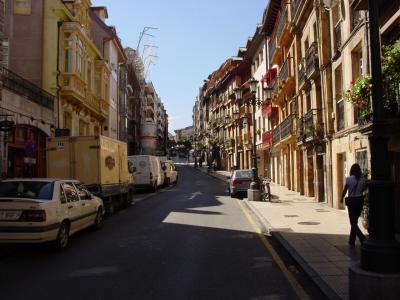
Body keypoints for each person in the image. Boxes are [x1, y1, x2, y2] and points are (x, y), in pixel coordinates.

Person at [340, 163, 366, 246]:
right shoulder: (362, 179)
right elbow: (363, 189)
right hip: (360, 200)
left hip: (352, 201)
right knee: (354, 221)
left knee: (353, 223)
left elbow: (345, 189)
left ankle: (362, 238)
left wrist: (341, 198)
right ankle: (351, 241)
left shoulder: (349, 179)